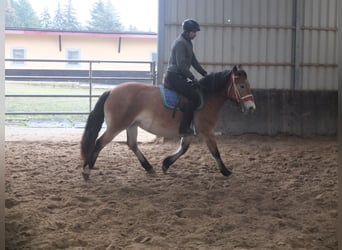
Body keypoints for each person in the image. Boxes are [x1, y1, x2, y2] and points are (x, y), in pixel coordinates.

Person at [165, 18, 207, 136]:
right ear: (188, 31)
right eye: (194, 32)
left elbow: (193, 61)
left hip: (180, 75)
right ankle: (183, 128)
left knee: (195, 92)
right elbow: (181, 65)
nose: (195, 34)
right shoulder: (180, 43)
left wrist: (204, 73)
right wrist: (193, 77)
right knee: (194, 97)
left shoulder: (188, 42)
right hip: (174, 75)